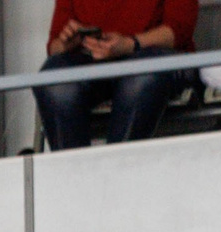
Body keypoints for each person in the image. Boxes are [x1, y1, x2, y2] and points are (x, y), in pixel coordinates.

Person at [35, 0, 200, 150]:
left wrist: (130, 44)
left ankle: (115, 173)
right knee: (55, 82)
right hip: (93, 62)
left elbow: (179, 29)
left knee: (142, 76)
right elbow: (54, 47)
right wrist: (67, 44)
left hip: (155, 59)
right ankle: (74, 176)